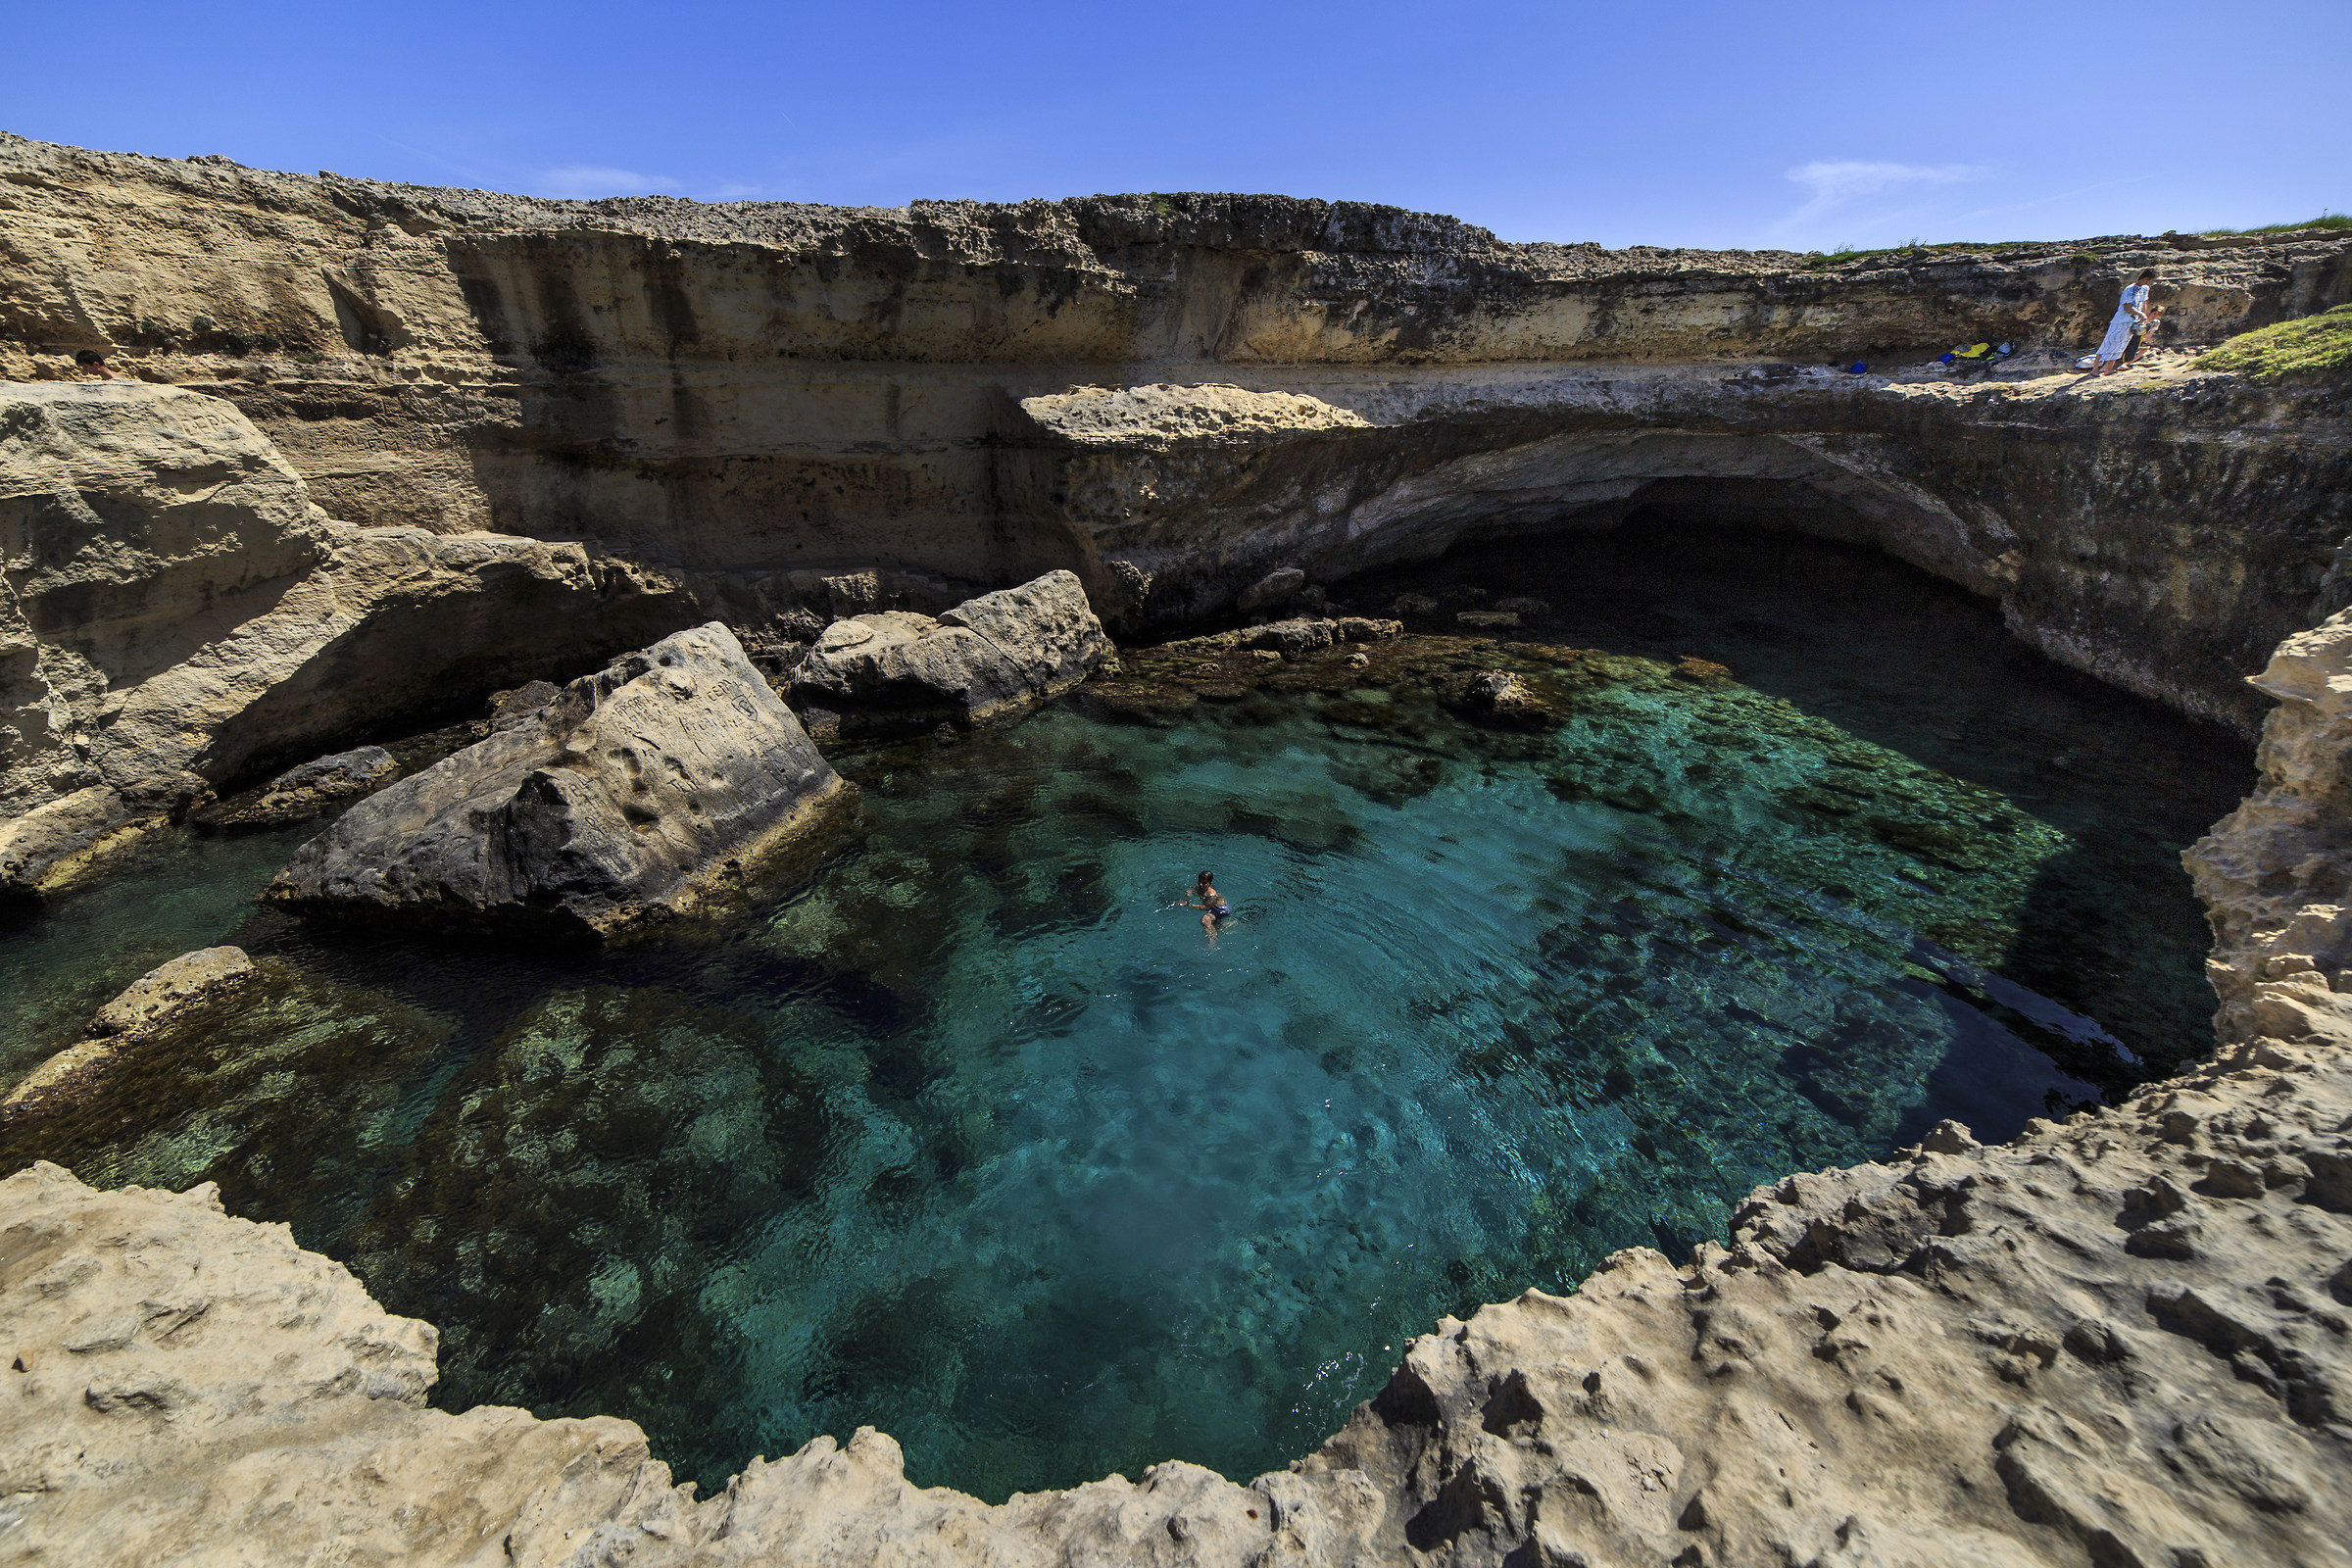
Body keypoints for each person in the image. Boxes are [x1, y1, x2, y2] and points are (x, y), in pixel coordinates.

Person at [2091, 270, 2157, 376]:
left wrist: (2143, 316)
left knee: (2120, 346)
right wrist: (2140, 314)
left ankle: (2108, 369)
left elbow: (2144, 303)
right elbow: (2127, 307)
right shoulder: (2129, 290)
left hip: (2133, 321)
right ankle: (2095, 369)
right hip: (2121, 321)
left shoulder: (2145, 289)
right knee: (2108, 344)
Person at [1185, 870, 1232, 938]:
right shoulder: (1198, 887)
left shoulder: (1211, 894)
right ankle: (1220, 930)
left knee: (1205, 920)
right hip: (1214, 908)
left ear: (1210, 884)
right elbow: (1191, 889)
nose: (1200, 885)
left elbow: (1207, 908)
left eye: (1204, 883)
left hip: (1221, 909)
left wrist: (1190, 905)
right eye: (1199, 882)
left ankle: (1212, 940)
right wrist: (1188, 894)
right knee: (1216, 927)